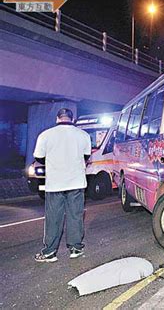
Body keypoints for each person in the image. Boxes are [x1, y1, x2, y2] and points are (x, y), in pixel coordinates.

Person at [33, 108, 91, 263]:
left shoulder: (46, 135)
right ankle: (75, 248)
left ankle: (50, 253)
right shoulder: (83, 135)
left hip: (55, 183)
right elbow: (86, 156)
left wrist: (54, 162)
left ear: (57, 118)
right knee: (75, 216)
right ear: (73, 119)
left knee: (53, 218)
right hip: (77, 182)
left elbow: (38, 157)